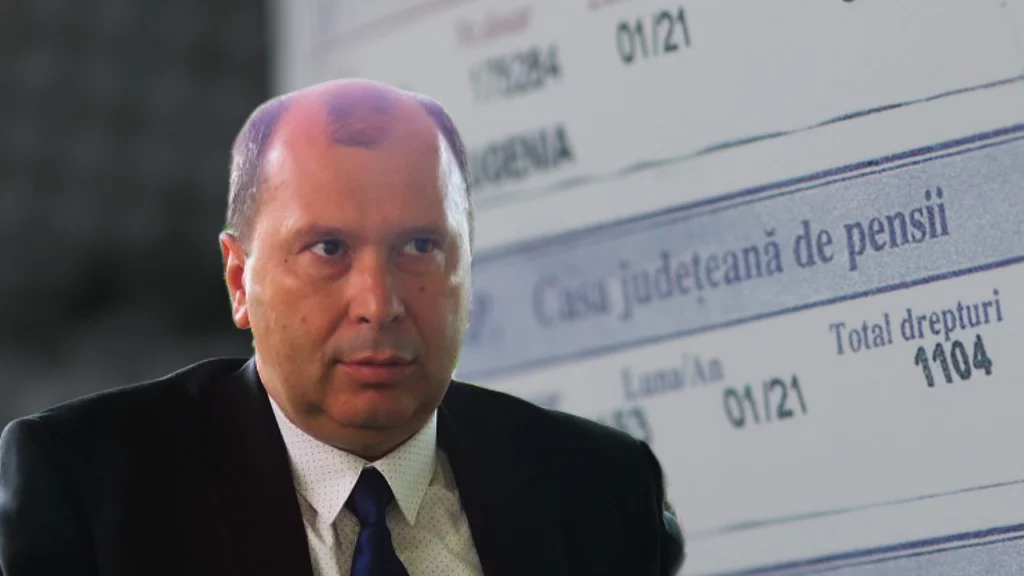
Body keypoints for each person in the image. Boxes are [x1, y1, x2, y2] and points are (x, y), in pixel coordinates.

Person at [0, 79, 684, 576]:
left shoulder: (600, 489)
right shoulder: (90, 491)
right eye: (328, 248)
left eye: (420, 246)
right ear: (239, 280)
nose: (379, 304)